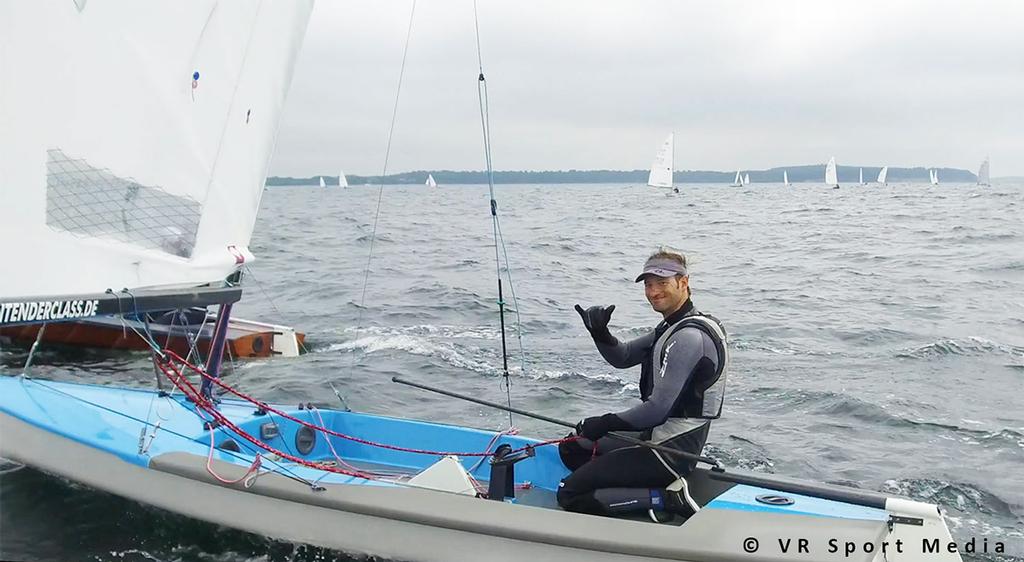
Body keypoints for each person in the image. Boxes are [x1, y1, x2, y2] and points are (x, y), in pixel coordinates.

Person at [556, 249, 729, 522]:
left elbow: (657, 410)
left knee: (569, 494)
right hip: (655, 438)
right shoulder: (672, 327)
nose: (653, 291)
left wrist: (604, 422)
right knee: (572, 446)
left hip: (670, 452)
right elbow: (623, 357)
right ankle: (629, 485)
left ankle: (667, 498)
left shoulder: (689, 337)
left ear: (683, 282)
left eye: (662, 283)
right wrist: (599, 332)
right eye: (648, 284)